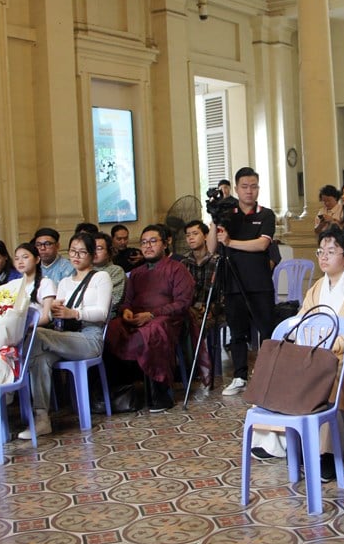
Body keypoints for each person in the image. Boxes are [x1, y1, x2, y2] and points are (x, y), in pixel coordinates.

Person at [251, 228, 344, 482]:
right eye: (321, 251)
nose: (323, 257)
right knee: (279, 371)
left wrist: (331, 347)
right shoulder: (318, 287)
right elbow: (302, 322)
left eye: (331, 252)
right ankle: (276, 441)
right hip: (313, 352)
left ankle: (326, 453)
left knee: (328, 378)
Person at [24, 232, 112, 437]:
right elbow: (58, 316)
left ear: (91, 255)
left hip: (90, 338)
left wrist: (74, 313)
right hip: (64, 337)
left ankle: (10, 388)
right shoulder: (64, 282)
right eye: (73, 251)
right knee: (40, 358)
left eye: (82, 252)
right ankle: (42, 418)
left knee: (35, 337)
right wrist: (54, 308)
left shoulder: (101, 277)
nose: (77, 256)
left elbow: (103, 313)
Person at [106, 224, 194, 412]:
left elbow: (183, 302)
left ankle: (160, 393)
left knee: (153, 330)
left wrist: (153, 314)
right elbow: (127, 301)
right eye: (144, 242)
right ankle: (121, 393)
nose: (147, 246)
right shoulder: (137, 273)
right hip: (138, 317)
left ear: (165, 243)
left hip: (168, 319)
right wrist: (127, 311)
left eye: (153, 241)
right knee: (112, 328)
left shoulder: (177, 269)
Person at [208, 167, 277, 396]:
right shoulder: (229, 214)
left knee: (267, 330)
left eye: (254, 186)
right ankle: (239, 376)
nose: (250, 191)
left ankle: (268, 373)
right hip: (232, 282)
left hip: (260, 282)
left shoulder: (265, 214)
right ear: (236, 189)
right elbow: (211, 247)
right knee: (237, 332)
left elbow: (262, 245)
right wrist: (214, 220)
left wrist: (230, 242)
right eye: (245, 187)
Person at [181, 220, 221, 400]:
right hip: (190, 309)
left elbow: (223, 292)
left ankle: (205, 369)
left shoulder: (216, 261)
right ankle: (190, 369)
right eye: (188, 235)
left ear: (205, 236)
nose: (191, 238)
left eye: (195, 233)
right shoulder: (183, 263)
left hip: (211, 309)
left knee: (202, 324)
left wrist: (212, 307)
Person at [12, 242, 56, 326]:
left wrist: (23, 329)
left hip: (38, 330)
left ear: (37, 259)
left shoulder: (46, 283)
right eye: (17, 259)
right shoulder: (13, 284)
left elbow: (46, 318)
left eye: (25, 257)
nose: (20, 262)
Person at [93, 232, 126, 311]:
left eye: (99, 248)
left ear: (109, 251)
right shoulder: (83, 270)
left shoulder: (116, 271)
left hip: (105, 317)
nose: (94, 252)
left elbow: (113, 302)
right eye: (91, 248)